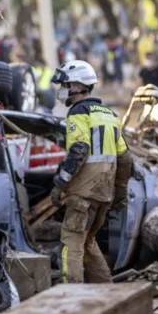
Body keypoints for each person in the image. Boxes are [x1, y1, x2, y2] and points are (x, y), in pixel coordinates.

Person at [50, 61, 132, 284]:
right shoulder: (110, 115)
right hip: (103, 195)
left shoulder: (78, 111)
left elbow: (79, 149)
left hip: (83, 194)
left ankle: (72, 294)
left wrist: (60, 184)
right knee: (88, 241)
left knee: (72, 243)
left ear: (78, 86)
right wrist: (120, 191)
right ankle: (108, 292)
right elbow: (125, 157)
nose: (62, 89)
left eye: (66, 84)